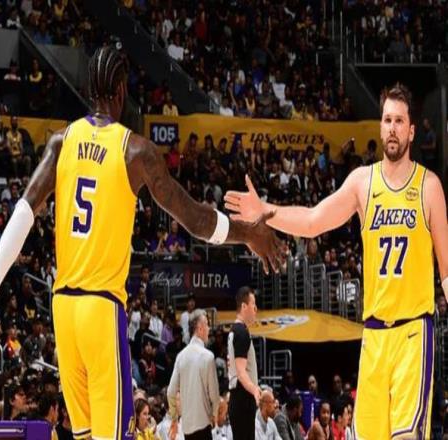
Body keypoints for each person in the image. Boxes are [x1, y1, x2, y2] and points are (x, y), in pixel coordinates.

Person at [0, 44, 283, 440]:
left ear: (90, 90)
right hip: (100, 308)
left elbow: (22, 214)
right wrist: (247, 232)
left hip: (63, 309)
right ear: (121, 91)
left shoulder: (62, 141)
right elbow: (195, 218)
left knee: (83, 436)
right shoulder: (135, 150)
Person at [225, 82, 448, 439]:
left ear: (411, 130)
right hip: (374, 334)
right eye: (387, 120)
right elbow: (313, 221)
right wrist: (266, 210)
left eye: (399, 121)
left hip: (413, 333)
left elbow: (446, 274)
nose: (392, 128)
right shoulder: (362, 182)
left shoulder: (429, 186)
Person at [167, 309, 220, 440]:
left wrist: (174, 418)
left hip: (187, 428)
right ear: (200, 328)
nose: (209, 329)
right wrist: (214, 414)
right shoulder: (208, 356)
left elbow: (171, 392)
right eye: (207, 325)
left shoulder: (180, 356)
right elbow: (214, 395)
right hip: (204, 424)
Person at [228, 286, 260, 440]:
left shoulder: (236, 330)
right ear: (243, 306)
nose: (256, 309)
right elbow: (241, 372)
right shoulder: (241, 332)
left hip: (239, 398)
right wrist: (254, 390)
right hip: (243, 398)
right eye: (253, 304)